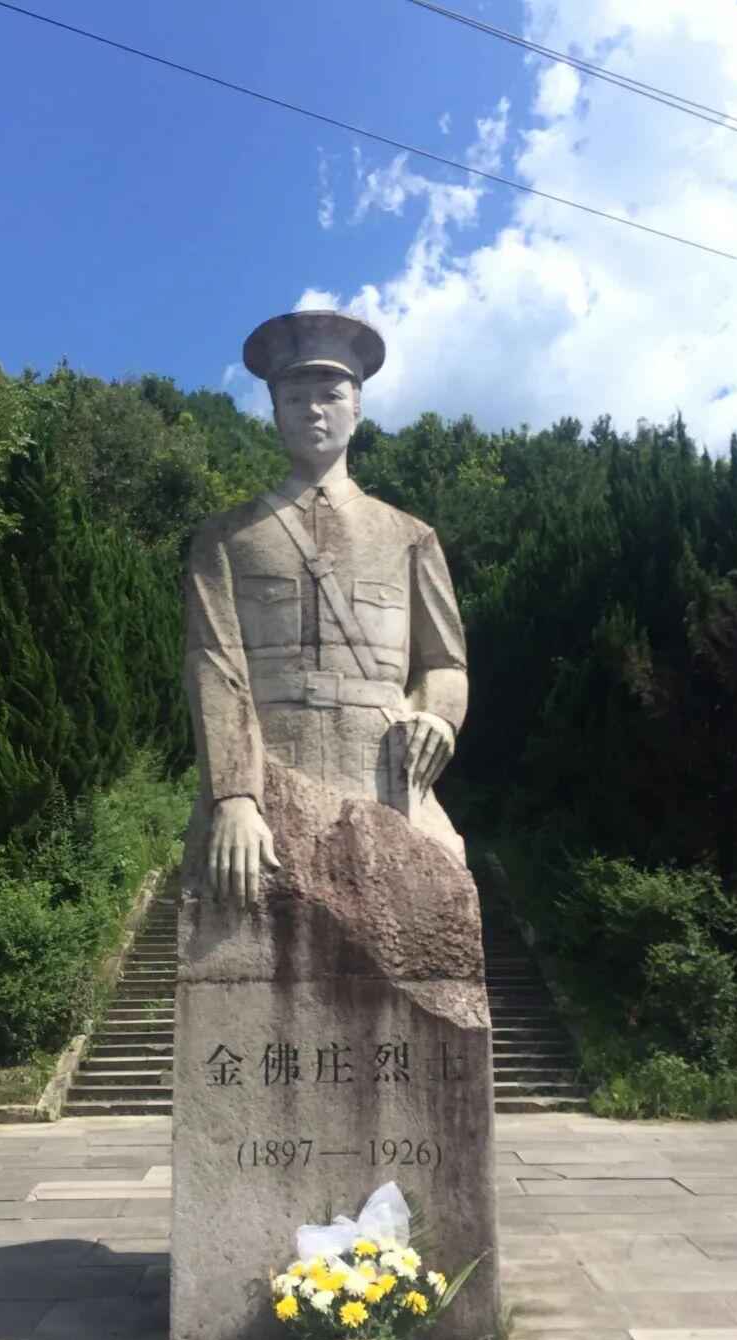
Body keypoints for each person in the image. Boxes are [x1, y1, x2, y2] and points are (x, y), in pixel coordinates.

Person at [184, 310, 468, 907]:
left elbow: (445, 662)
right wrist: (235, 797)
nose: (313, 410)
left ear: (357, 407)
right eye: (295, 397)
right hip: (271, 773)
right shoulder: (227, 537)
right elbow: (216, 668)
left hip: (386, 779)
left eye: (330, 395)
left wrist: (439, 718)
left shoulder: (409, 536)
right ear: (276, 411)